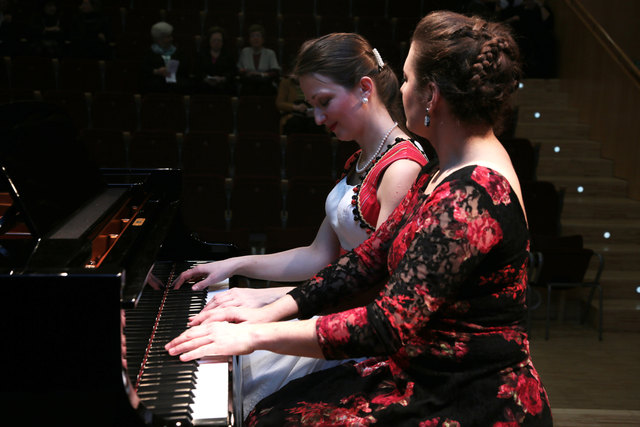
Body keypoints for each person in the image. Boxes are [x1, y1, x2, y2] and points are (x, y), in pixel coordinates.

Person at [168, 10, 554, 425]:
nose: (400, 88)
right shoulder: (443, 170)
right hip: (427, 371)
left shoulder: (471, 191)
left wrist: (254, 334)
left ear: (432, 94)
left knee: (273, 416)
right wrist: (268, 311)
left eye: (407, 78)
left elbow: (387, 323)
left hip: (467, 392)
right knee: (272, 408)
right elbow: (366, 261)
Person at [173, 32, 428, 418]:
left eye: (324, 102)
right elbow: (318, 256)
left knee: (235, 382)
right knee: (223, 367)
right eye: (312, 105)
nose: (318, 118)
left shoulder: (402, 167)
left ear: (364, 88)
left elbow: (379, 289)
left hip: (361, 340)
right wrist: (235, 265)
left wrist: (267, 301)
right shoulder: (362, 159)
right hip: (331, 309)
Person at [139, 21, 190, 94]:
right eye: (168, 37)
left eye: (171, 36)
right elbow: (144, 68)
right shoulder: (149, 52)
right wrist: (157, 71)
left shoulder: (178, 51)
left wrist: (172, 69)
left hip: (176, 80)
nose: (171, 39)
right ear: (158, 39)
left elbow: (185, 67)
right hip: (156, 81)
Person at [236, 24, 280, 95]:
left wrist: (261, 74)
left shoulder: (270, 53)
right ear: (249, 39)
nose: (255, 39)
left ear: (263, 39)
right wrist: (245, 72)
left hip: (265, 83)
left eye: (258, 36)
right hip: (249, 83)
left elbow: (275, 72)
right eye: (253, 36)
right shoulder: (245, 51)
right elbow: (239, 70)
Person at [194, 26, 237, 95]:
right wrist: (206, 78)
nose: (216, 42)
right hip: (205, 87)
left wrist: (223, 78)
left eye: (219, 40)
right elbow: (198, 70)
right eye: (214, 40)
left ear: (223, 42)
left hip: (224, 87)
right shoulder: (202, 54)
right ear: (209, 41)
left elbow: (233, 71)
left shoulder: (229, 55)